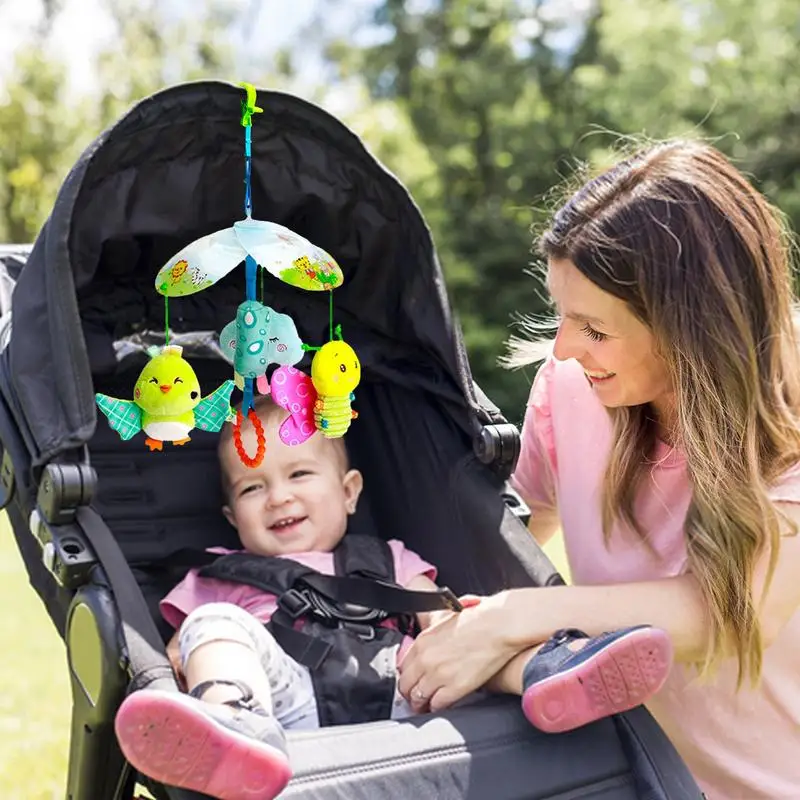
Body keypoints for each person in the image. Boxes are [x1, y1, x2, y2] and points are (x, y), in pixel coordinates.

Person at [396, 140, 800, 799]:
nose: (561, 348)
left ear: (692, 327)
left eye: (594, 328)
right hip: (629, 781)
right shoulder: (570, 386)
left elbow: (730, 617)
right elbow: (509, 538)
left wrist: (509, 617)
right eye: (562, 315)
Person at [113, 395, 455, 800]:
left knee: (467, 633)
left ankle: (530, 677)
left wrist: (451, 643)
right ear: (232, 517)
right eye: (253, 487)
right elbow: (179, 652)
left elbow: (439, 616)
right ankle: (231, 724)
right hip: (283, 707)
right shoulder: (222, 574)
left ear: (349, 492)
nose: (278, 498)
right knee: (211, 622)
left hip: (403, 695)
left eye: (299, 474)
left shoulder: (387, 557)